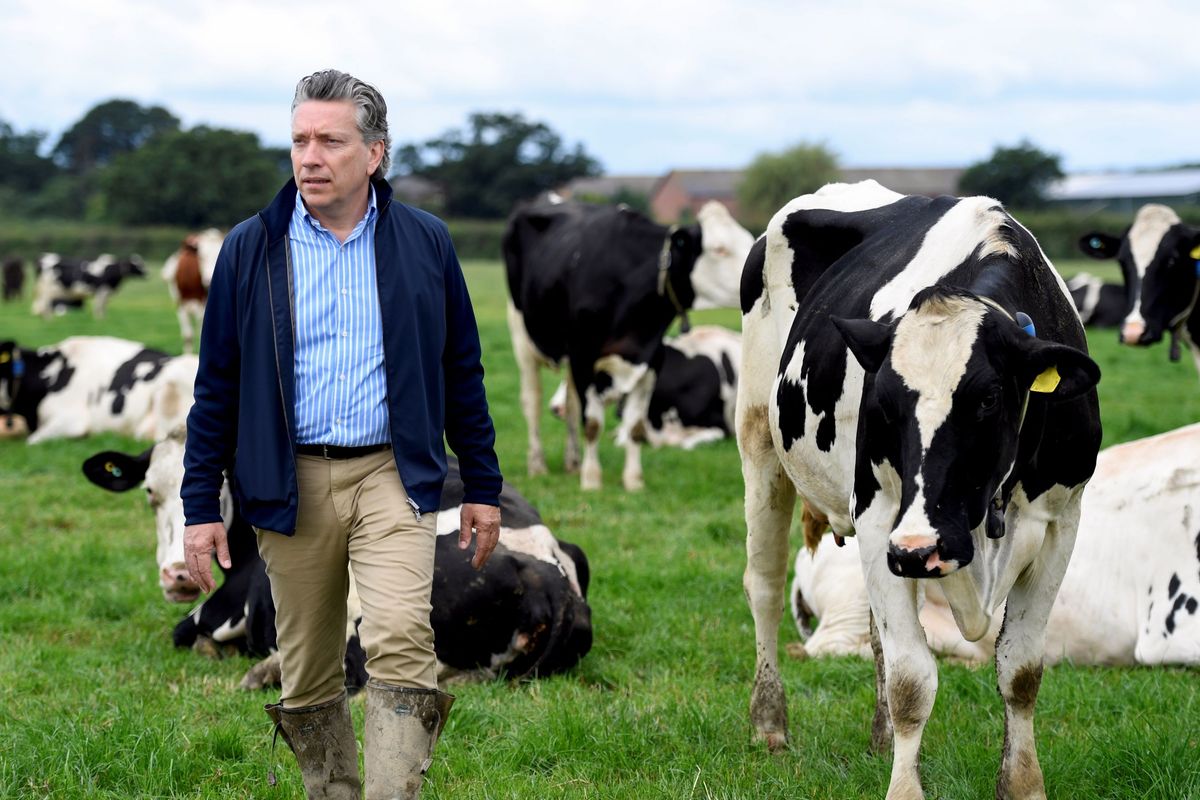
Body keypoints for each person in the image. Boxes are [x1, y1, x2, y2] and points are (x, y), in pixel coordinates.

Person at [180, 69, 503, 800]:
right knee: (308, 664)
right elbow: (215, 390)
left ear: (375, 153)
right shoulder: (249, 249)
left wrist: (481, 485)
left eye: (330, 140)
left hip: (392, 473)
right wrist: (201, 507)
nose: (310, 156)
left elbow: (463, 370)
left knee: (398, 636)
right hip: (287, 481)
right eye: (299, 139)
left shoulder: (426, 242)